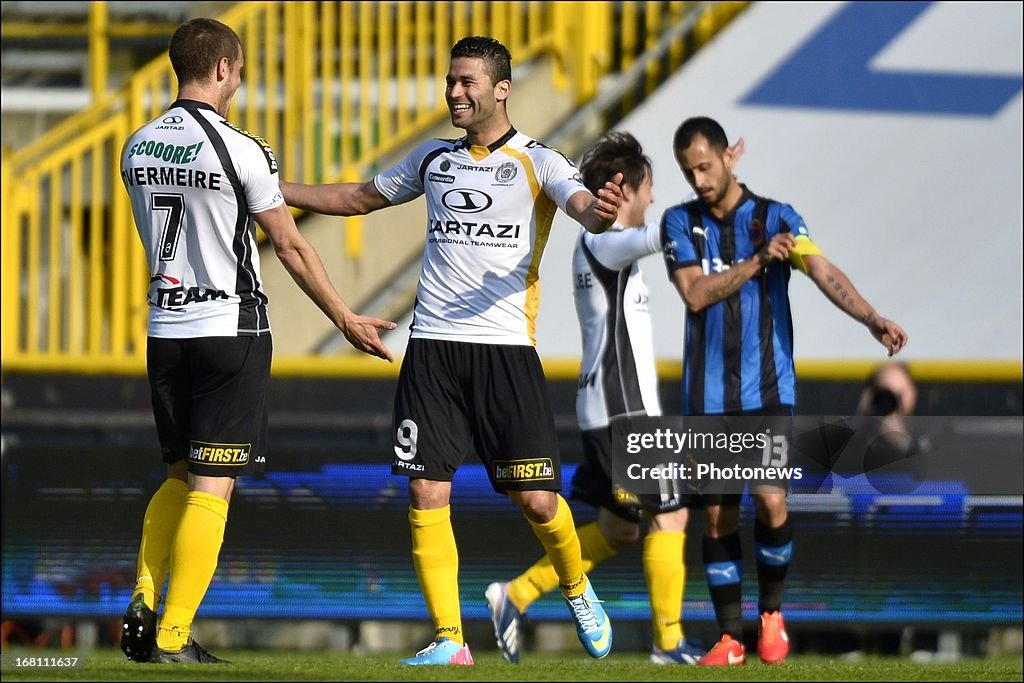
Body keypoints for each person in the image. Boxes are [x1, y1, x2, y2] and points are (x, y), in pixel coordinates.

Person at [280, 36, 624, 666]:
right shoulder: (432, 158)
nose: (455, 92)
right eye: (450, 81)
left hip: (504, 354)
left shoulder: (539, 161)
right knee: (424, 491)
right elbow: (357, 198)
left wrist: (602, 213)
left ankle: (576, 587)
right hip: (432, 349)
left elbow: (584, 210)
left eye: (468, 82)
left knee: (539, 501)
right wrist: (275, 190)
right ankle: (449, 639)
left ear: (501, 89)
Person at [118, 18, 395, 664]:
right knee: (214, 487)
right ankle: (173, 634)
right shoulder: (243, 149)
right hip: (230, 329)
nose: (239, 82)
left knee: (179, 476)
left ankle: (143, 594)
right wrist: (346, 318)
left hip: (165, 329)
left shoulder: (136, 146)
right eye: (239, 71)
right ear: (222, 69)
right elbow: (291, 245)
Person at [485, 131, 741, 666]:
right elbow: (647, 237)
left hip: (609, 410)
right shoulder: (602, 243)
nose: (652, 196)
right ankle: (668, 643)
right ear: (625, 189)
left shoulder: (601, 250)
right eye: (648, 187)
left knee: (618, 528)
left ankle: (516, 595)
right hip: (625, 413)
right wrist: (710, 198)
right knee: (670, 517)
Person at [662, 116, 908, 666]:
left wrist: (871, 318)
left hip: (768, 390)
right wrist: (756, 262)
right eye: (688, 170)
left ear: (731, 156)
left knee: (770, 498)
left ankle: (771, 612)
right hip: (707, 398)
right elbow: (696, 295)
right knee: (719, 516)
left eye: (705, 166)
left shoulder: (779, 217)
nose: (698, 179)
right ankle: (730, 638)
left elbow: (821, 270)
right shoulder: (679, 223)